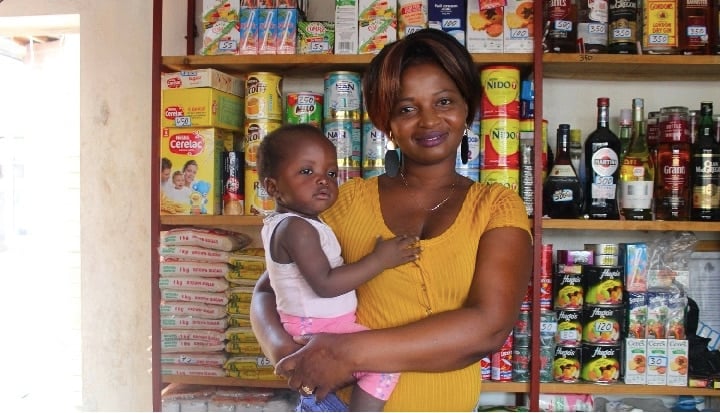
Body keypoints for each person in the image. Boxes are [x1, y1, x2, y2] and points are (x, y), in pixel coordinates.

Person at [250, 28, 533, 411]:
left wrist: (344, 353)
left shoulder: (497, 206)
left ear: (468, 108)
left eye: (445, 101)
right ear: (385, 122)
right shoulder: (340, 205)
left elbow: (488, 328)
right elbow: (269, 290)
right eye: (407, 108)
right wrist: (288, 353)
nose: (429, 121)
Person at [256, 123, 420, 411]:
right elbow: (326, 284)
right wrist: (379, 260)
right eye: (307, 172)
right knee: (383, 364)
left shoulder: (296, 224)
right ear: (273, 187)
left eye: (331, 173)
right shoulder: (297, 229)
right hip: (318, 325)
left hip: (316, 323)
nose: (323, 181)